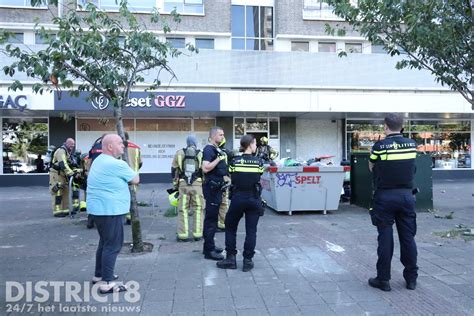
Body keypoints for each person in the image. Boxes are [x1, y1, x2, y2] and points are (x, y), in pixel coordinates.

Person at [368, 113, 418, 292]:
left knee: (385, 239)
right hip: (406, 197)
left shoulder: (380, 146)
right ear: (402, 126)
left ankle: (383, 280)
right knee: (408, 238)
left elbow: (371, 166)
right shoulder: (412, 145)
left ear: (385, 126)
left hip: (385, 197)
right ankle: (411, 279)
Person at [86, 134, 139, 294]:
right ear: (109, 147)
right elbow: (136, 179)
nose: (123, 146)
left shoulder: (99, 160)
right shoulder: (117, 164)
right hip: (111, 210)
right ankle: (107, 283)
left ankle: (99, 275)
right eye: (120, 143)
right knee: (113, 245)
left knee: (104, 243)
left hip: (98, 209)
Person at [217, 134, 264, 272]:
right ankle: (247, 261)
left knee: (230, 227)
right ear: (249, 144)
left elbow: (231, 175)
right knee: (251, 231)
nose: (256, 146)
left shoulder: (235, 161)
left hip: (238, 199)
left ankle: (231, 259)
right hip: (254, 199)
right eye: (255, 143)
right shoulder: (259, 162)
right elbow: (259, 176)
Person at [171, 135, 205, 242]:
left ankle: (183, 235)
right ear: (195, 143)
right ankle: (198, 234)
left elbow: (174, 170)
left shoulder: (179, 153)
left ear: (187, 142)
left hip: (183, 185)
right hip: (197, 185)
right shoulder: (200, 153)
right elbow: (204, 170)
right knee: (198, 209)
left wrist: (175, 184)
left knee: (183, 210)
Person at [202, 126, 227, 260]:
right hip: (211, 189)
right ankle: (209, 251)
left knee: (213, 219)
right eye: (220, 135)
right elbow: (205, 168)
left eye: (223, 135)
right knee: (211, 220)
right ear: (212, 136)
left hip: (216, 188)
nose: (222, 137)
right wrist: (219, 159)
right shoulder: (208, 149)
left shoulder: (216, 149)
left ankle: (209, 246)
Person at [49, 138, 79, 217]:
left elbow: (70, 164)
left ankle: (66, 210)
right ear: (67, 143)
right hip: (56, 174)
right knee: (58, 191)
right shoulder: (61, 151)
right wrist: (71, 173)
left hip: (63, 175)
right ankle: (57, 211)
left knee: (66, 191)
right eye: (71, 145)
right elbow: (63, 164)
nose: (72, 147)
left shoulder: (68, 153)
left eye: (73, 145)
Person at [124, 132, 143, 225]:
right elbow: (140, 163)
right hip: (134, 176)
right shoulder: (136, 148)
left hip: (123, 177)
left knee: (125, 197)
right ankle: (132, 216)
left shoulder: (121, 146)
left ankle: (127, 215)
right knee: (132, 197)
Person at [217, 137, 234, 232]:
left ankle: (218, 223)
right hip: (226, 178)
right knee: (224, 202)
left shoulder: (214, 151)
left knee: (215, 202)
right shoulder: (229, 152)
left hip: (215, 179)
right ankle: (223, 223)